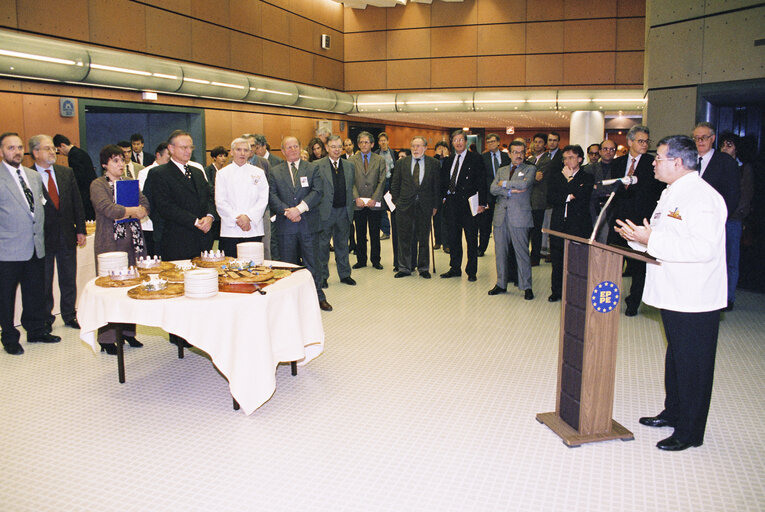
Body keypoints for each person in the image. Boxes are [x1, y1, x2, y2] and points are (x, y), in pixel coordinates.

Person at [616, 135, 727, 452]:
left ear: (678, 162)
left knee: (694, 364)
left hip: (695, 296)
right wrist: (638, 238)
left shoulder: (702, 197)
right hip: (675, 292)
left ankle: (690, 431)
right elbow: (661, 236)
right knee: (677, 358)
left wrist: (651, 240)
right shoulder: (671, 193)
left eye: (658, 158)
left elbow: (702, 249)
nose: (653, 163)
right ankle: (673, 411)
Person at [0, 132, 59, 355]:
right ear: (2, 152)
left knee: (35, 292)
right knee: (6, 296)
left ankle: (36, 330)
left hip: (35, 246)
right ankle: (9, 337)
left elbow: (41, 209)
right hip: (7, 249)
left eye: (18, 147)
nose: (16, 152)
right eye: (10, 148)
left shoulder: (33, 176)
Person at [90, 144, 149, 354]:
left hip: (133, 242)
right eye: (115, 161)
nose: (120, 164)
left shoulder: (129, 183)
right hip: (110, 243)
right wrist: (133, 211)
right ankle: (106, 338)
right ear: (105, 164)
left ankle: (128, 333)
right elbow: (108, 209)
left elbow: (145, 203)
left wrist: (138, 211)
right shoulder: (98, 185)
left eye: (122, 160)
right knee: (111, 289)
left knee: (131, 286)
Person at [268, 136, 332, 311]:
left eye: (296, 146)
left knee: (313, 263)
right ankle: (290, 300)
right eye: (289, 147)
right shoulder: (275, 171)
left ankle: (318, 297)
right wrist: (287, 211)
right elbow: (272, 196)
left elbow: (318, 192)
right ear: (282, 151)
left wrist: (299, 209)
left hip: (308, 224)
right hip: (285, 226)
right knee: (289, 265)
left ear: (300, 147)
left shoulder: (312, 168)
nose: (293, 150)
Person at [30, 134, 87, 331]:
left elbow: (76, 203)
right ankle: (46, 318)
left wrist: (80, 229)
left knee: (68, 277)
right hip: (42, 237)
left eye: (52, 148)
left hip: (66, 234)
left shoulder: (66, 172)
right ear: (35, 152)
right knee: (44, 280)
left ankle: (70, 314)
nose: (52, 151)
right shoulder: (28, 176)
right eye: (46, 148)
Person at [608, 125, 664, 317]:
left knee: (639, 267)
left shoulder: (652, 163)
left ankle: (633, 303)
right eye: (640, 141)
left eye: (647, 141)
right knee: (612, 263)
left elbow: (656, 193)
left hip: (641, 223)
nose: (645, 144)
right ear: (630, 142)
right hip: (618, 222)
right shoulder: (617, 163)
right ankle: (610, 300)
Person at [693, 122, 741, 310]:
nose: (700, 141)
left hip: (719, 222)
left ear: (713, 139)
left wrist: (719, 219)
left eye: (704, 137)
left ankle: (722, 299)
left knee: (722, 262)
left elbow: (733, 194)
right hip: (694, 224)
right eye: (696, 138)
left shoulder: (725, 161)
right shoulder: (689, 161)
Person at [488, 140, 535, 300]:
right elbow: (493, 188)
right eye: (515, 152)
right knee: (500, 252)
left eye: (521, 152)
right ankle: (501, 283)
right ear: (509, 154)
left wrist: (504, 184)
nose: (518, 155)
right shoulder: (501, 170)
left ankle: (526, 286)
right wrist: (509, 191)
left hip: (520, 217)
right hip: (501, 216)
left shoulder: (530, 168)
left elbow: (524, 184)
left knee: (522, 253)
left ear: (525, 153)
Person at [547, 144, 593, 302]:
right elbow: (551, 197)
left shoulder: (587, 177)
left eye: (571, 157)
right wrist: (568, 196)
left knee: (577, 260)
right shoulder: (556, 176)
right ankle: (556, 291)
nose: (567, 161)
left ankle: (576, 292)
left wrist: (569, 180)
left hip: (578, 224)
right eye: (565, 158)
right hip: (559, 223)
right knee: (557, 259)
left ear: (580, 159)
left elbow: (582, 196)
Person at [439, 129, 487, 282]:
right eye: (455, 140)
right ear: (452, 143)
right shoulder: (449, 159)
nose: (458, 143)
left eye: (461, 140)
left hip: (469, 204)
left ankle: (471, 271)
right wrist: (443, 197)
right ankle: (455, 268)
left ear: (466, 142)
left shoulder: (476, 158)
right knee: (453, 238)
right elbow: (443, 181)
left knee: (471, 239)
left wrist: (482, 203)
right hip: (452, 204)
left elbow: (482, 182)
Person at [390, 136, 440, 279]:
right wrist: (397, 202)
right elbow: (395, 184)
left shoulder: (434, 164)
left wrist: (435, 205)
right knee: (404, 237)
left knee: (423, 237)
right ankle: (405, 267)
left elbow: (436, 187)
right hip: (405, 206)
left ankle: (423, 267)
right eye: (413, 146)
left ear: (425, 148)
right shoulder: (402, 163)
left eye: (418, 146)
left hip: (425, 206)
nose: (415, 149)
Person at [718, 131, 754, 310]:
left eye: (729, 145)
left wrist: (736, 214)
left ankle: (728, 298)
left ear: (736, 149)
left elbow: (745, 196)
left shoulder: (744, 169)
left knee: (731, 260)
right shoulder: (717, 167)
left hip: (733, 221)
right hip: (716, 220)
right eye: (723, 145)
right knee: (717, 259)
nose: (725, 148)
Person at [215, 138, 269, 258]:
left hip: (253, 228)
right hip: (230, 229)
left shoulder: (258, 173)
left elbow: (263, 199)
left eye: (246, 150)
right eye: (238, 150)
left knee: (254, 267)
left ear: (250, 153)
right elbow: (220, 201)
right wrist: (238, 219)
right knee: (230, 268)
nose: (242, 153)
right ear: (232, 152)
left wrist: (248, 217)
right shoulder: (222, 174)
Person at [315, 135, 356, 287]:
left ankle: (345, 275)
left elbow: (352, 188)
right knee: (323, 247)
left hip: (343, 212)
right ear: (327, 148)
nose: (337, 149)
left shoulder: (349, 165)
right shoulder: (317, 165)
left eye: (339, 146)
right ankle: (323, 277)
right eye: (333, 146)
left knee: (342, 245)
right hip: (325, 212)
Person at [350, 131, 386, 270]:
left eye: (366, 142)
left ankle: (376, 260)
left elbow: (382, 181)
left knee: (375, 233)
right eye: (361, 142)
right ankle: (361, 260)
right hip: (358, 203)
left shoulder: (380, 160)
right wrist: (356, 197)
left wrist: (374, 198)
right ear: (358, 144)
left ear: (372, 144)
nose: (364, 145)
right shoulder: (352, 160)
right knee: (360, 233)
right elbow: (350, 181)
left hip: (374, 203)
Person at [479, 133, 511, 257]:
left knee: (503, 223)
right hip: (488, 195)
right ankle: (482, 248)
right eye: (488, 142)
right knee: (485, 224)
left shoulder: (506, 157)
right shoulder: (483, 157)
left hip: (503, 194)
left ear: (498, 142)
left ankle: (504, 247)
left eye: (493, 141)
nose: (491, 144)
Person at [53, 134, 97, 220]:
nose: (60, 154)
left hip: (85, 193)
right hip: (90, 190)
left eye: (59, 150)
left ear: (63, 145)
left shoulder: (73, 155)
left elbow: (78, 177)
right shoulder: (80, 152)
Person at [137, 142, 170, 256]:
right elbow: (144, 198)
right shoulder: (145, 172)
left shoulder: (171, 172)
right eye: (168, 157)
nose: (170, 160)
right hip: (150, 225)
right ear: (158, 156)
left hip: (168, 225)